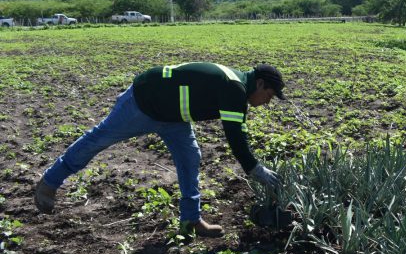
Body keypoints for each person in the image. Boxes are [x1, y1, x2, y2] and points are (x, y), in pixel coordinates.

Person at [34, 62, 286, 237]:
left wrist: (254, 167)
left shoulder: (237, 87)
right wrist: (255, 169)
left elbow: (237, 131)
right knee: (97, 140)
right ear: (260, 83)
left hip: (173, 117)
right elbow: (235, 136)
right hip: (144, 103)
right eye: (270, 95)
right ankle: (49, 182)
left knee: (190, 157)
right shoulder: (235, 88)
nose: (267, 102)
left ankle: (190, 220)